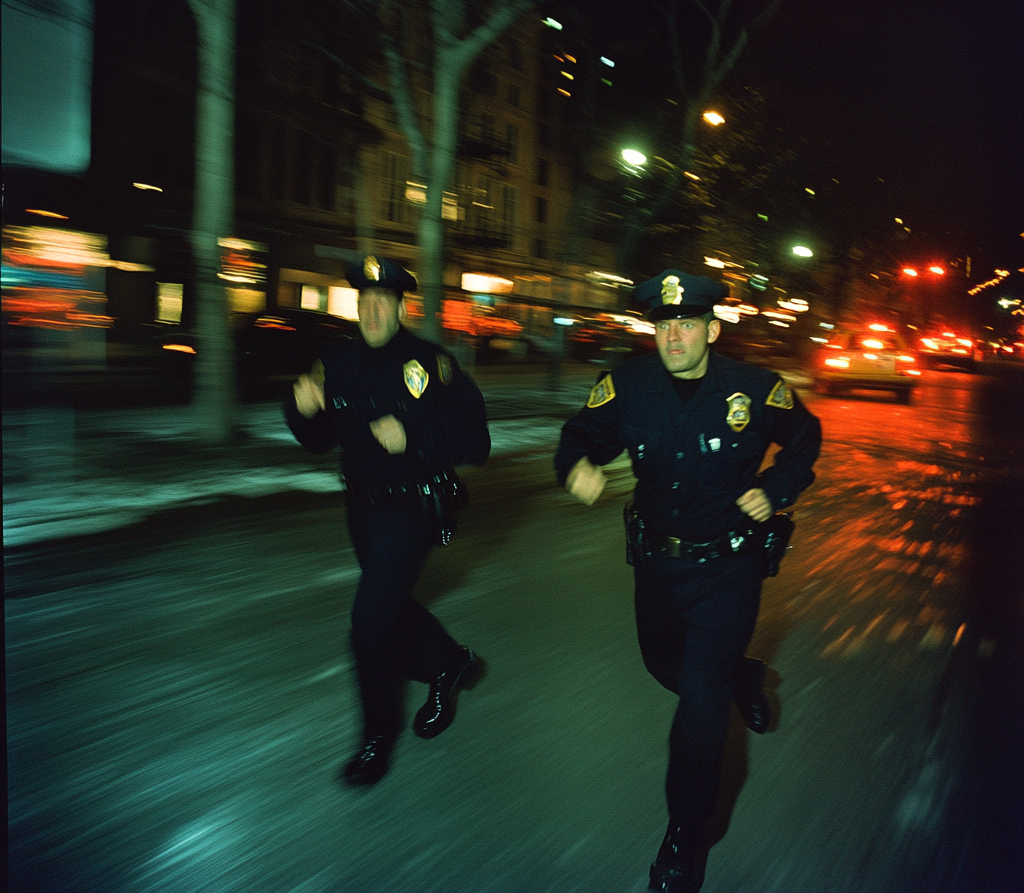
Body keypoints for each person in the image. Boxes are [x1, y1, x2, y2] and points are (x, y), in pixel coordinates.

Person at [554, 269, 821, 893]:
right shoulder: (626, 386)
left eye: (687, 324)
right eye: (664, 324)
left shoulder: (755, 389)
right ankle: (744, 676)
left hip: (729, 566)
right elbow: (580, 435)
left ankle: (684, 837)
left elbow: (804, 439)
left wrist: (776, 488)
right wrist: (575, 467)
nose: (674, 336)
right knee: (662, 665)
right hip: (656, 565)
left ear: (711, 327)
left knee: (700, 702)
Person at [285, 255, 491, 786]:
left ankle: (377, 738)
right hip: (360, 509)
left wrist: (415, 440)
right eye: (365, 301)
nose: (373, 311)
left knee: (369, 623)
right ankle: (450, 663)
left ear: (401, 306)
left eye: (384, 302)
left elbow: (477, 441)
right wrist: (301, 410)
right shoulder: (337, 362)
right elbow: (319, 440)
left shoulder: (433, 363)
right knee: (389, 607)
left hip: (413, 508)